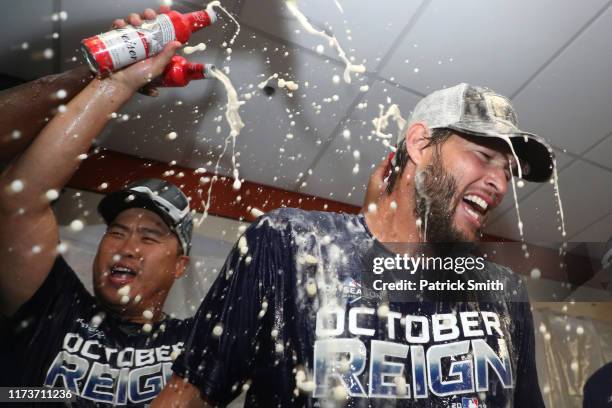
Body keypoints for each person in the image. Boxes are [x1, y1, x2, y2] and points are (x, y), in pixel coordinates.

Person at [154, 83, 552, 407]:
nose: (500, 185)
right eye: (484, 156)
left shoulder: (503, 293)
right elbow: (186, 398)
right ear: (419, 145)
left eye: (508, 171)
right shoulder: (290, 244)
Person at [0, 8, 196, 406]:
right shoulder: (54, 307)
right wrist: (120, 80)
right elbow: (20, 199)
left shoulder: (197, 343)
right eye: (117, 231)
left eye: (150, 236)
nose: (126, 246)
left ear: (180, 265)